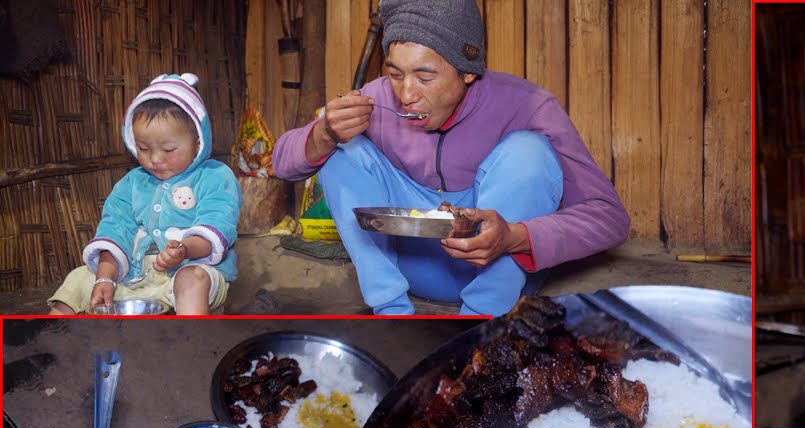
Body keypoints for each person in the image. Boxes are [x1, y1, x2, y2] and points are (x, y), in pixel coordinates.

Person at [271, 0, 629, 316]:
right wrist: (324, 133)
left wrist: (514, 237)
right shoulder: (375, 99)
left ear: (468, 71)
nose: (406, 94)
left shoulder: (528, 105)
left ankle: (481, 320)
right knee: (342, 150)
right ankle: (392, 313)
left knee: (529, 152)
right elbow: (281, 163)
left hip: (501, 273)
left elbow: (609, 218)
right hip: (412, 267)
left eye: (425, 77)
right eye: (395, 74)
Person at [48, 73, 240, 315]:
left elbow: (218, 224)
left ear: (198, 143)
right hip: (135, 276)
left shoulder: (214, 176)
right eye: (143, 148)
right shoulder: (131, 183)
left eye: (168, 149)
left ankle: (192, 336)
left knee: (192, 279)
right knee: (78, 280)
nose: (155, 159)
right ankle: (54, 336)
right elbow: (115, 228)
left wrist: (184, 250)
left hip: (192, 268)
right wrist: (105, 278)